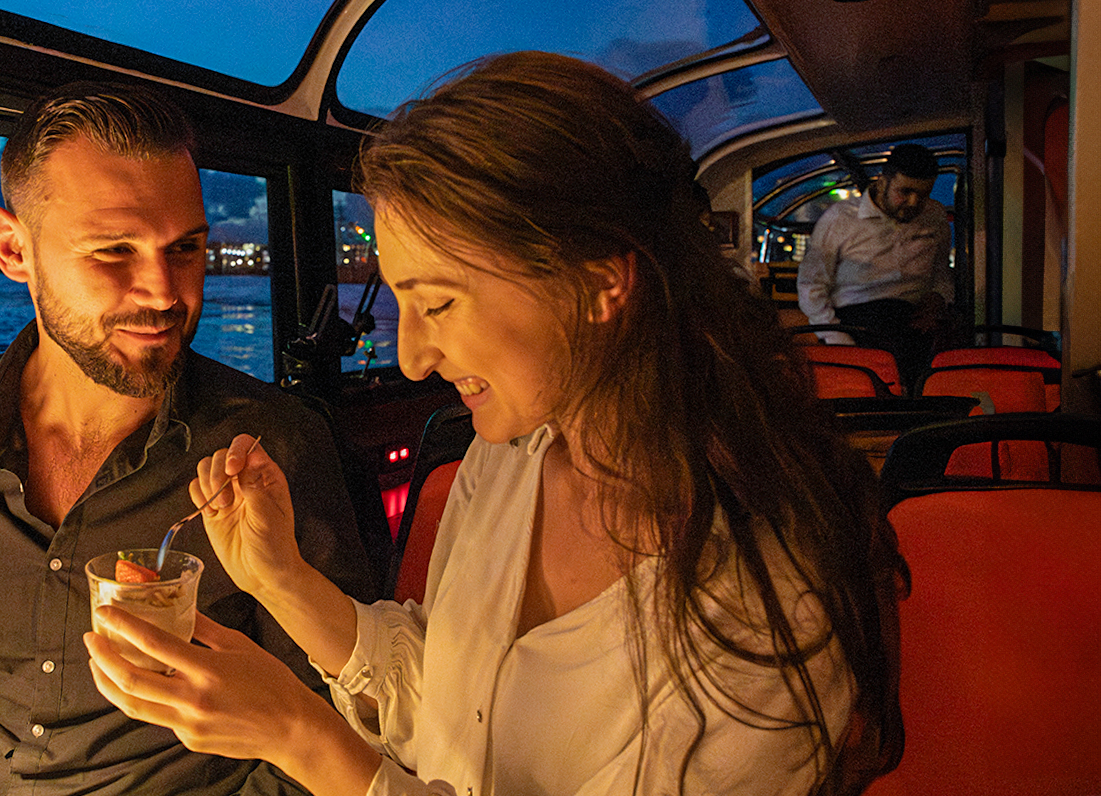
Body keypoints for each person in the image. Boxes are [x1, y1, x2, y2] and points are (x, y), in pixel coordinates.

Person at [85, 52, 905, 796]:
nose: (409, 359)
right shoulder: (503, 459)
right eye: (399, 300)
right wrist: (281, 580)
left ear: (598, 284)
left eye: (438, 300)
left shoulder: (771, 598)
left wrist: (302, 737)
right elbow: (451, 706)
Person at [0, 83, 375, 796]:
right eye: (113, 251)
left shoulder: (270, 447)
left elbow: (333, 716)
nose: (164, 291)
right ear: (14, 248)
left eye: (187, 247)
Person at [796, 143, 953, 383]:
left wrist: (937, 300)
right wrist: (837, 338)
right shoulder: (841, 219)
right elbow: (811, 286)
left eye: (923, 195)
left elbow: (941, 273)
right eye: (905, 191)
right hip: (854, 324)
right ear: (882, 181)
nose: (913, 202)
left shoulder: (935, 216)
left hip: (913, 324)